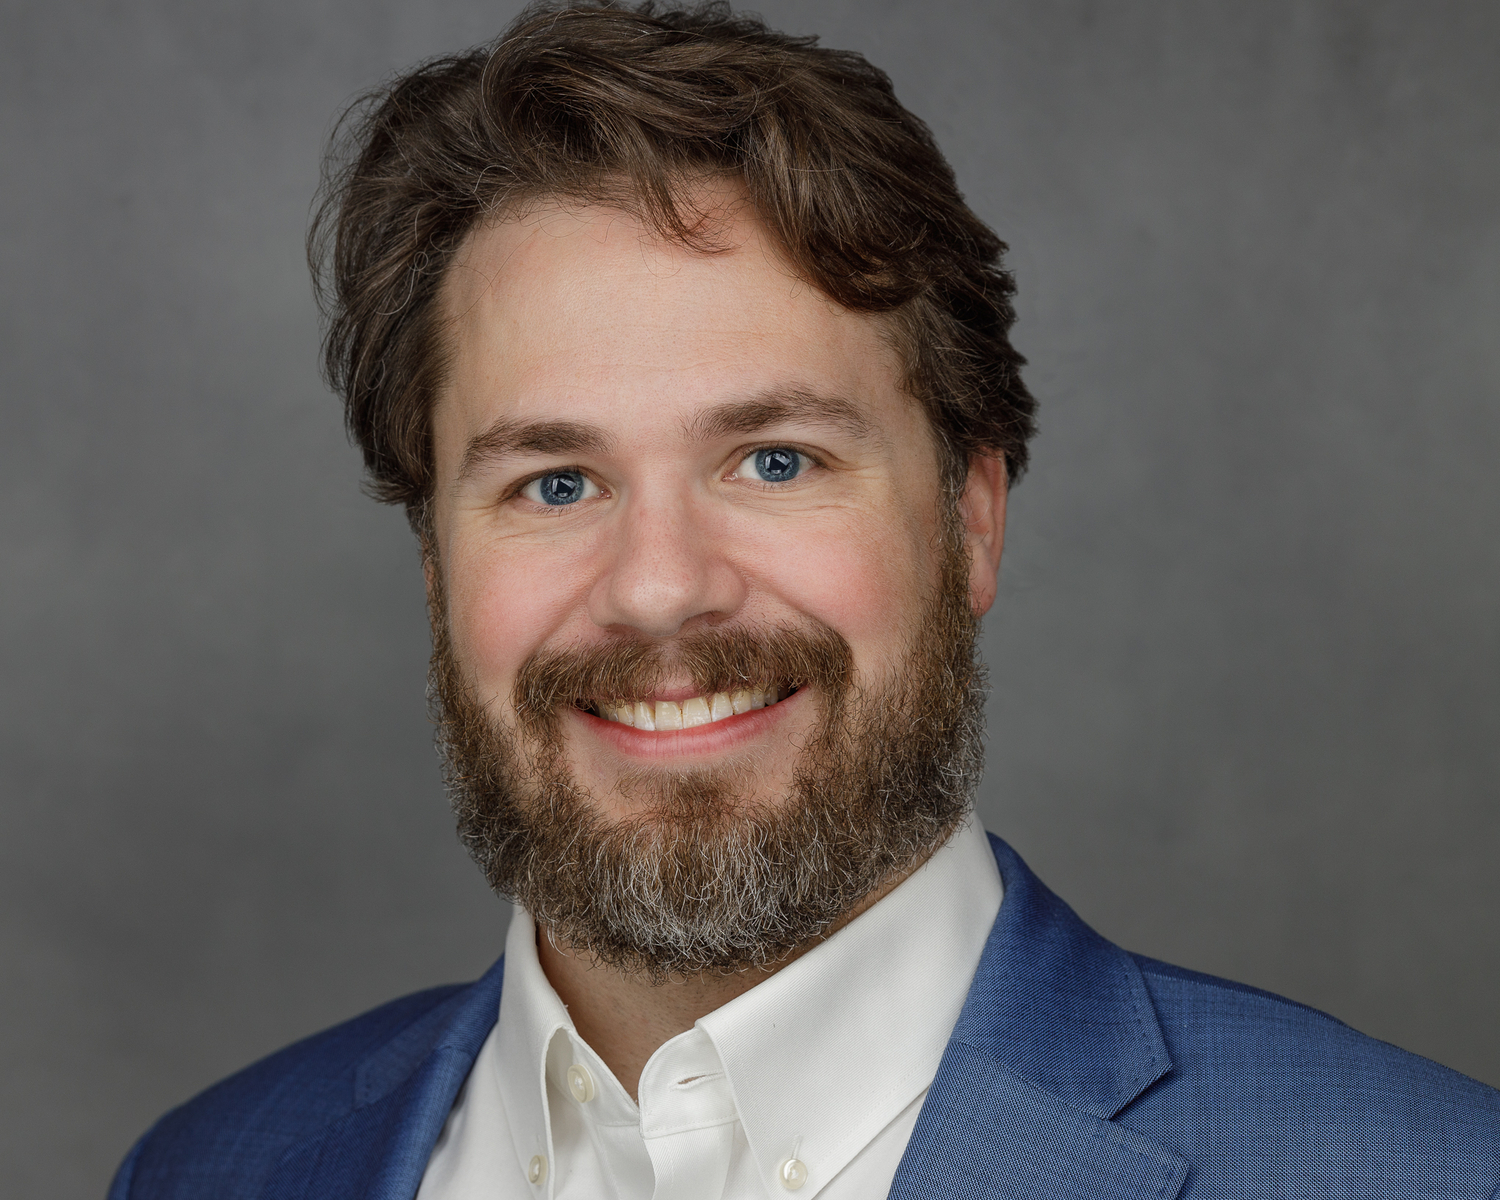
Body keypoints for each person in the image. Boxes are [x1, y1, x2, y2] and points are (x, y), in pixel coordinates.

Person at [108, 3, 1500, 1198]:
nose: (661, 588)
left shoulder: (1425, 1173)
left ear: (971, 519)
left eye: (776, 460)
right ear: (435, 566)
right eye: (554, 482)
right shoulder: (210, 1169)